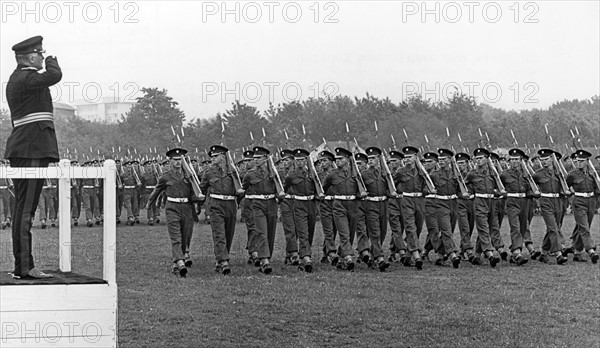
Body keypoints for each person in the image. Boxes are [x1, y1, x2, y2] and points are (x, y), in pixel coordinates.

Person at [4, 36, 62, 279]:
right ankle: (25, 267)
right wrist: (53, 61)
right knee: (25, 210)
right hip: (31, 149)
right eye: (40, 53)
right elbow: (54, 75)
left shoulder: (23, 78)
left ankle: (23, 266)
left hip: (28, 148)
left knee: (22, 210)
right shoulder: (26, 78)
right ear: (30, 56)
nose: (42, 56)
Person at [146, 148, 200, 277]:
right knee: (175, 236)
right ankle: (180, 262)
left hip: (186, 207)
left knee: (185, 236)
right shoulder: (165, 176)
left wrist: (198, 201)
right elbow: (157, 191)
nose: (177, 162)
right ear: (170, 161)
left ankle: (176, 263)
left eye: (179, 160)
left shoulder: (189, 175)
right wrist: (150, 203)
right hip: (172, 208)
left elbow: (195, 193)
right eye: (175, 160)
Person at [200, 145, 243, 275]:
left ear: (223, 157)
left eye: (216, 156)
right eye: (212, 156)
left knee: (228, 233)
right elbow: (201, 189)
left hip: (230, 204)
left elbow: (240, 191)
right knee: (219, 234)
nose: (213, 158)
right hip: (215, 205)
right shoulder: (208, 173)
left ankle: (221, 258)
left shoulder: (233, 172)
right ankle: (223, 261)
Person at [242, 146, 280, 274]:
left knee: (270, 232)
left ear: (265, 159)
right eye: (255, 158)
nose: (256, 160)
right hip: (257, 204)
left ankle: (267, 256)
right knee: (261, 232)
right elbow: (244, 188)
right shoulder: (250, 174)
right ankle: (264, 260)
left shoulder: (273, 172)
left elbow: (279, 188)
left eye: (259, 158)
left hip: (271, 203)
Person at [284, 148, 318, 272]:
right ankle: (306, 258)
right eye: (297, 160)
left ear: (306, 160)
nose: (299, 162)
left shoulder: (312, 173)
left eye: (302, 160)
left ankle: (305, 253)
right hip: (299, 205)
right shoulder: (291, 175)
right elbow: (285, 188)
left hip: (312, 204)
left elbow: (318, 188)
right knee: (303, 232)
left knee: (310, 231)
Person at [532, 149, 568, 265]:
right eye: (542, 160)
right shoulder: (538, 174)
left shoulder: (559, 173)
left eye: (546, 159)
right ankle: (558, 254)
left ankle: (544, 252)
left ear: (552, 159)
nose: (544, 162)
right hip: (545, 201)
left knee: (554, 227)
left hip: (557, 201)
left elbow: (566, 186)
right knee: (553, 228)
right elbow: (530, 186)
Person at [566, 150, 599, 263]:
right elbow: (565, 188)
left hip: (591, 201)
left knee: (584, 226)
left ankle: (576, 251)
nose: (578, 163)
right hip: (579, 202)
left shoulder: (592, 174)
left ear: (587, 161)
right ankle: (591, 251)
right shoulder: (572, 174)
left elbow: (596, 189)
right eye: (577, 161)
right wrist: (571, 201)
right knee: (584, 227)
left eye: (581, 161)